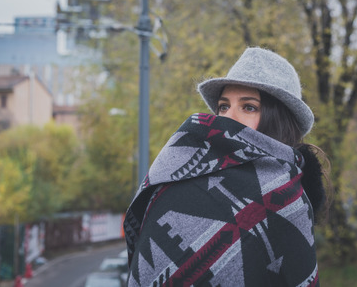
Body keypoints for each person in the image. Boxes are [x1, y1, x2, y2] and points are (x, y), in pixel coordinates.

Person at [123, 47, 329, 286]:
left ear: (279, 119)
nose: (228, 117)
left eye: (248, 107)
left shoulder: (288, 200)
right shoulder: (180, 172)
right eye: (223, 106)